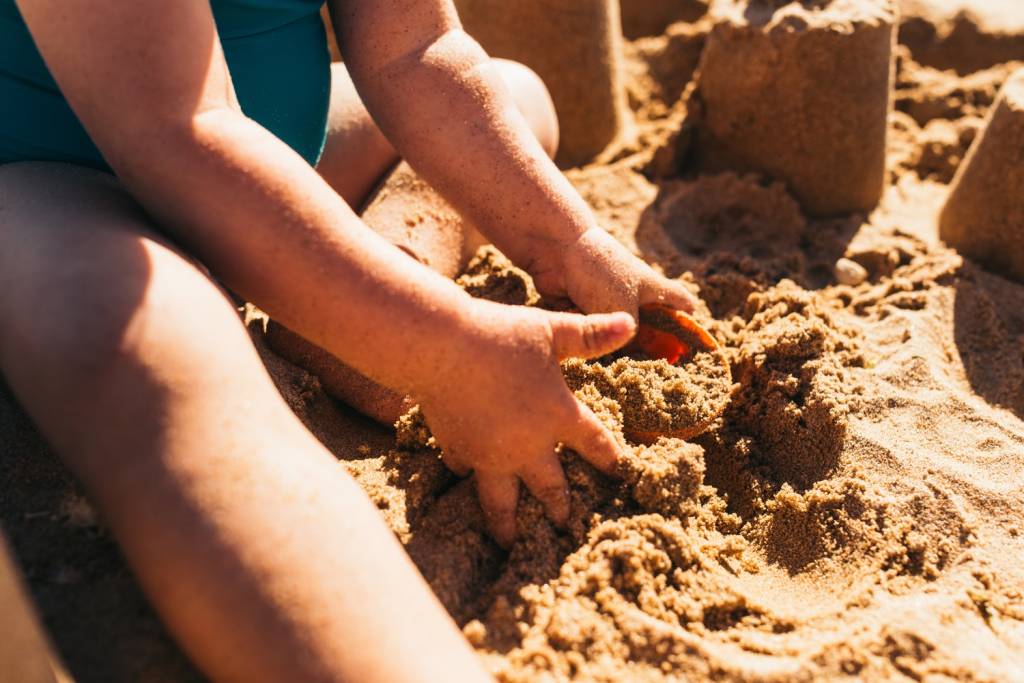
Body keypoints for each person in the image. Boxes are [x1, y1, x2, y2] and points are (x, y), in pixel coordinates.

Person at [0, 0, 697, 680]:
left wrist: (572, 241)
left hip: (259, 147)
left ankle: (379, 281)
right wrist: (442, 350)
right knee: (156, 362)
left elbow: (415, 49)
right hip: (56, 181)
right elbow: (177, 133)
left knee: (515, 97)